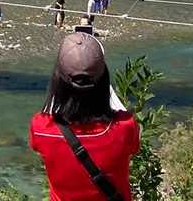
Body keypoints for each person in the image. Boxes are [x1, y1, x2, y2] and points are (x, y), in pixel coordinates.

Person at [29, 31, 140, 201]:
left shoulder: (41, 127)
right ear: (104, 79)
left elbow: (38, 148)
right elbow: (133, 149)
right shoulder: (125, 126)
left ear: (58, 80)